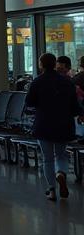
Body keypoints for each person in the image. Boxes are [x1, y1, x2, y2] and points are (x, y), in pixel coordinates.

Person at [26, 53, 83, 202]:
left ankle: (51, 190)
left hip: (43, 124)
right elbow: (75, 107)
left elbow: (29, 103)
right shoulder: (67, 82)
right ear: (55, 65)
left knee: (47, 159)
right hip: (63, 125)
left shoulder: (37, 82)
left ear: (41, 65)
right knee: (61, 154)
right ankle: (61, 173)